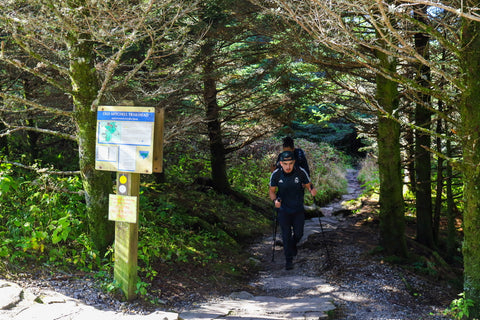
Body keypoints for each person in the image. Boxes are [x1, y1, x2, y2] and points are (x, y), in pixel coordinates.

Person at [269, 150, 317, 270]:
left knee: (299, 233)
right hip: (284, 210)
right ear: (281, 163)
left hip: (298, 209)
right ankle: (288, 260)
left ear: (294, 162)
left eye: (290, 163)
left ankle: (292, 245)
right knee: (286, 235)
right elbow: (272, 191)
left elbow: (308, 184)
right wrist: (275, 201)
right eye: (285, 164)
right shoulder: (276, 174)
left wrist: (312, 190)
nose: (288, 166)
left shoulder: (300, 172)